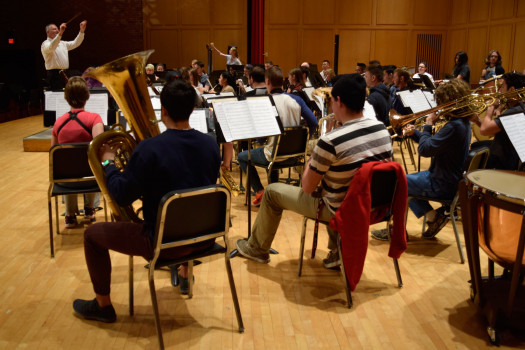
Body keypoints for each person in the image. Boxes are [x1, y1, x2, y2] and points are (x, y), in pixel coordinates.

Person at [72, 80, 221, 323]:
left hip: (161, 242)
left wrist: (109, 162)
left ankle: (103, 306)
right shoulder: (210, 145)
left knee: (91, 235)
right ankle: (185, 272)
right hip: (205, 238)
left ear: (163, 110)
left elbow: (121, 194)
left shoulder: (149, 149)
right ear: (193, 110)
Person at [235, 73, 393, 268]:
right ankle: (337, 250)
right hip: (374, 206)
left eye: (330, 101)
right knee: (338, 183)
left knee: (271, 192)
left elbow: (307, 187)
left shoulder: (331, 141)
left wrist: (313, 159)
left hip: (340, 209)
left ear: (339, 101)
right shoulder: (382, 130)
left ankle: (257, 248)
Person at [374, 79, 472, 241]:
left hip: (441, 183)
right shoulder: (463, 123)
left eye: (440, 102)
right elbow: (432, 145)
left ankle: (396, 231)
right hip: (447, 179)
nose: (438, 106)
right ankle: (434, 217)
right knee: (408, 182)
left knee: (400, 182)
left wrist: (427, 125)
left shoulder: (453, 127)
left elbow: (425, 150)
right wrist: (416, 134)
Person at [237, 66, 317, 206]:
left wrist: (261, 139)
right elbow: (313, 122)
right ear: (283, 81)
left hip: (273, 154)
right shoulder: (296, 99)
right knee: (273, 151)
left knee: (242, 157)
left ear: (267, 82)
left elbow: (261, 139)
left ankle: (260, 191)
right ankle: (273, 193)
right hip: (295, 155)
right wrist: (303, 138)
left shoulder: (265, 102)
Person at [51, 76, 104, 228]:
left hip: (64, 183)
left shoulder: (58, 122)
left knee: (67, 166)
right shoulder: (94, 118)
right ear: (87, 96)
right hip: (91, 181)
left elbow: (53, 155)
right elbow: (98, 147)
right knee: (94, 163)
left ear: (66, 98)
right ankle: (89, 209)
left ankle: (70, 214)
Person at [471, 72, 525, 170]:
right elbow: (494, 132)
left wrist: (491, 108)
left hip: (503, 162)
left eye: (502, 87)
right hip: (506, 154)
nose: (499, 91)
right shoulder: (520, 108)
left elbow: (484, 130)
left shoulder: (514, 112)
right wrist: (477, 120)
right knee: (476, 145)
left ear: (512, 90)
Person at [41, 20, 87, 90]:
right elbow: (52, 47)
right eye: (54, 29)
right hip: (54, 75)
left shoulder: (62, 43)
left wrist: (81, 31)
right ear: (47, 32)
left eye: (57, 29)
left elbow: (76, 43)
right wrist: (60, 33)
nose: (57, 30)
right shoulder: (45, 44)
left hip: (65, 73)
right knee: (58, 96)